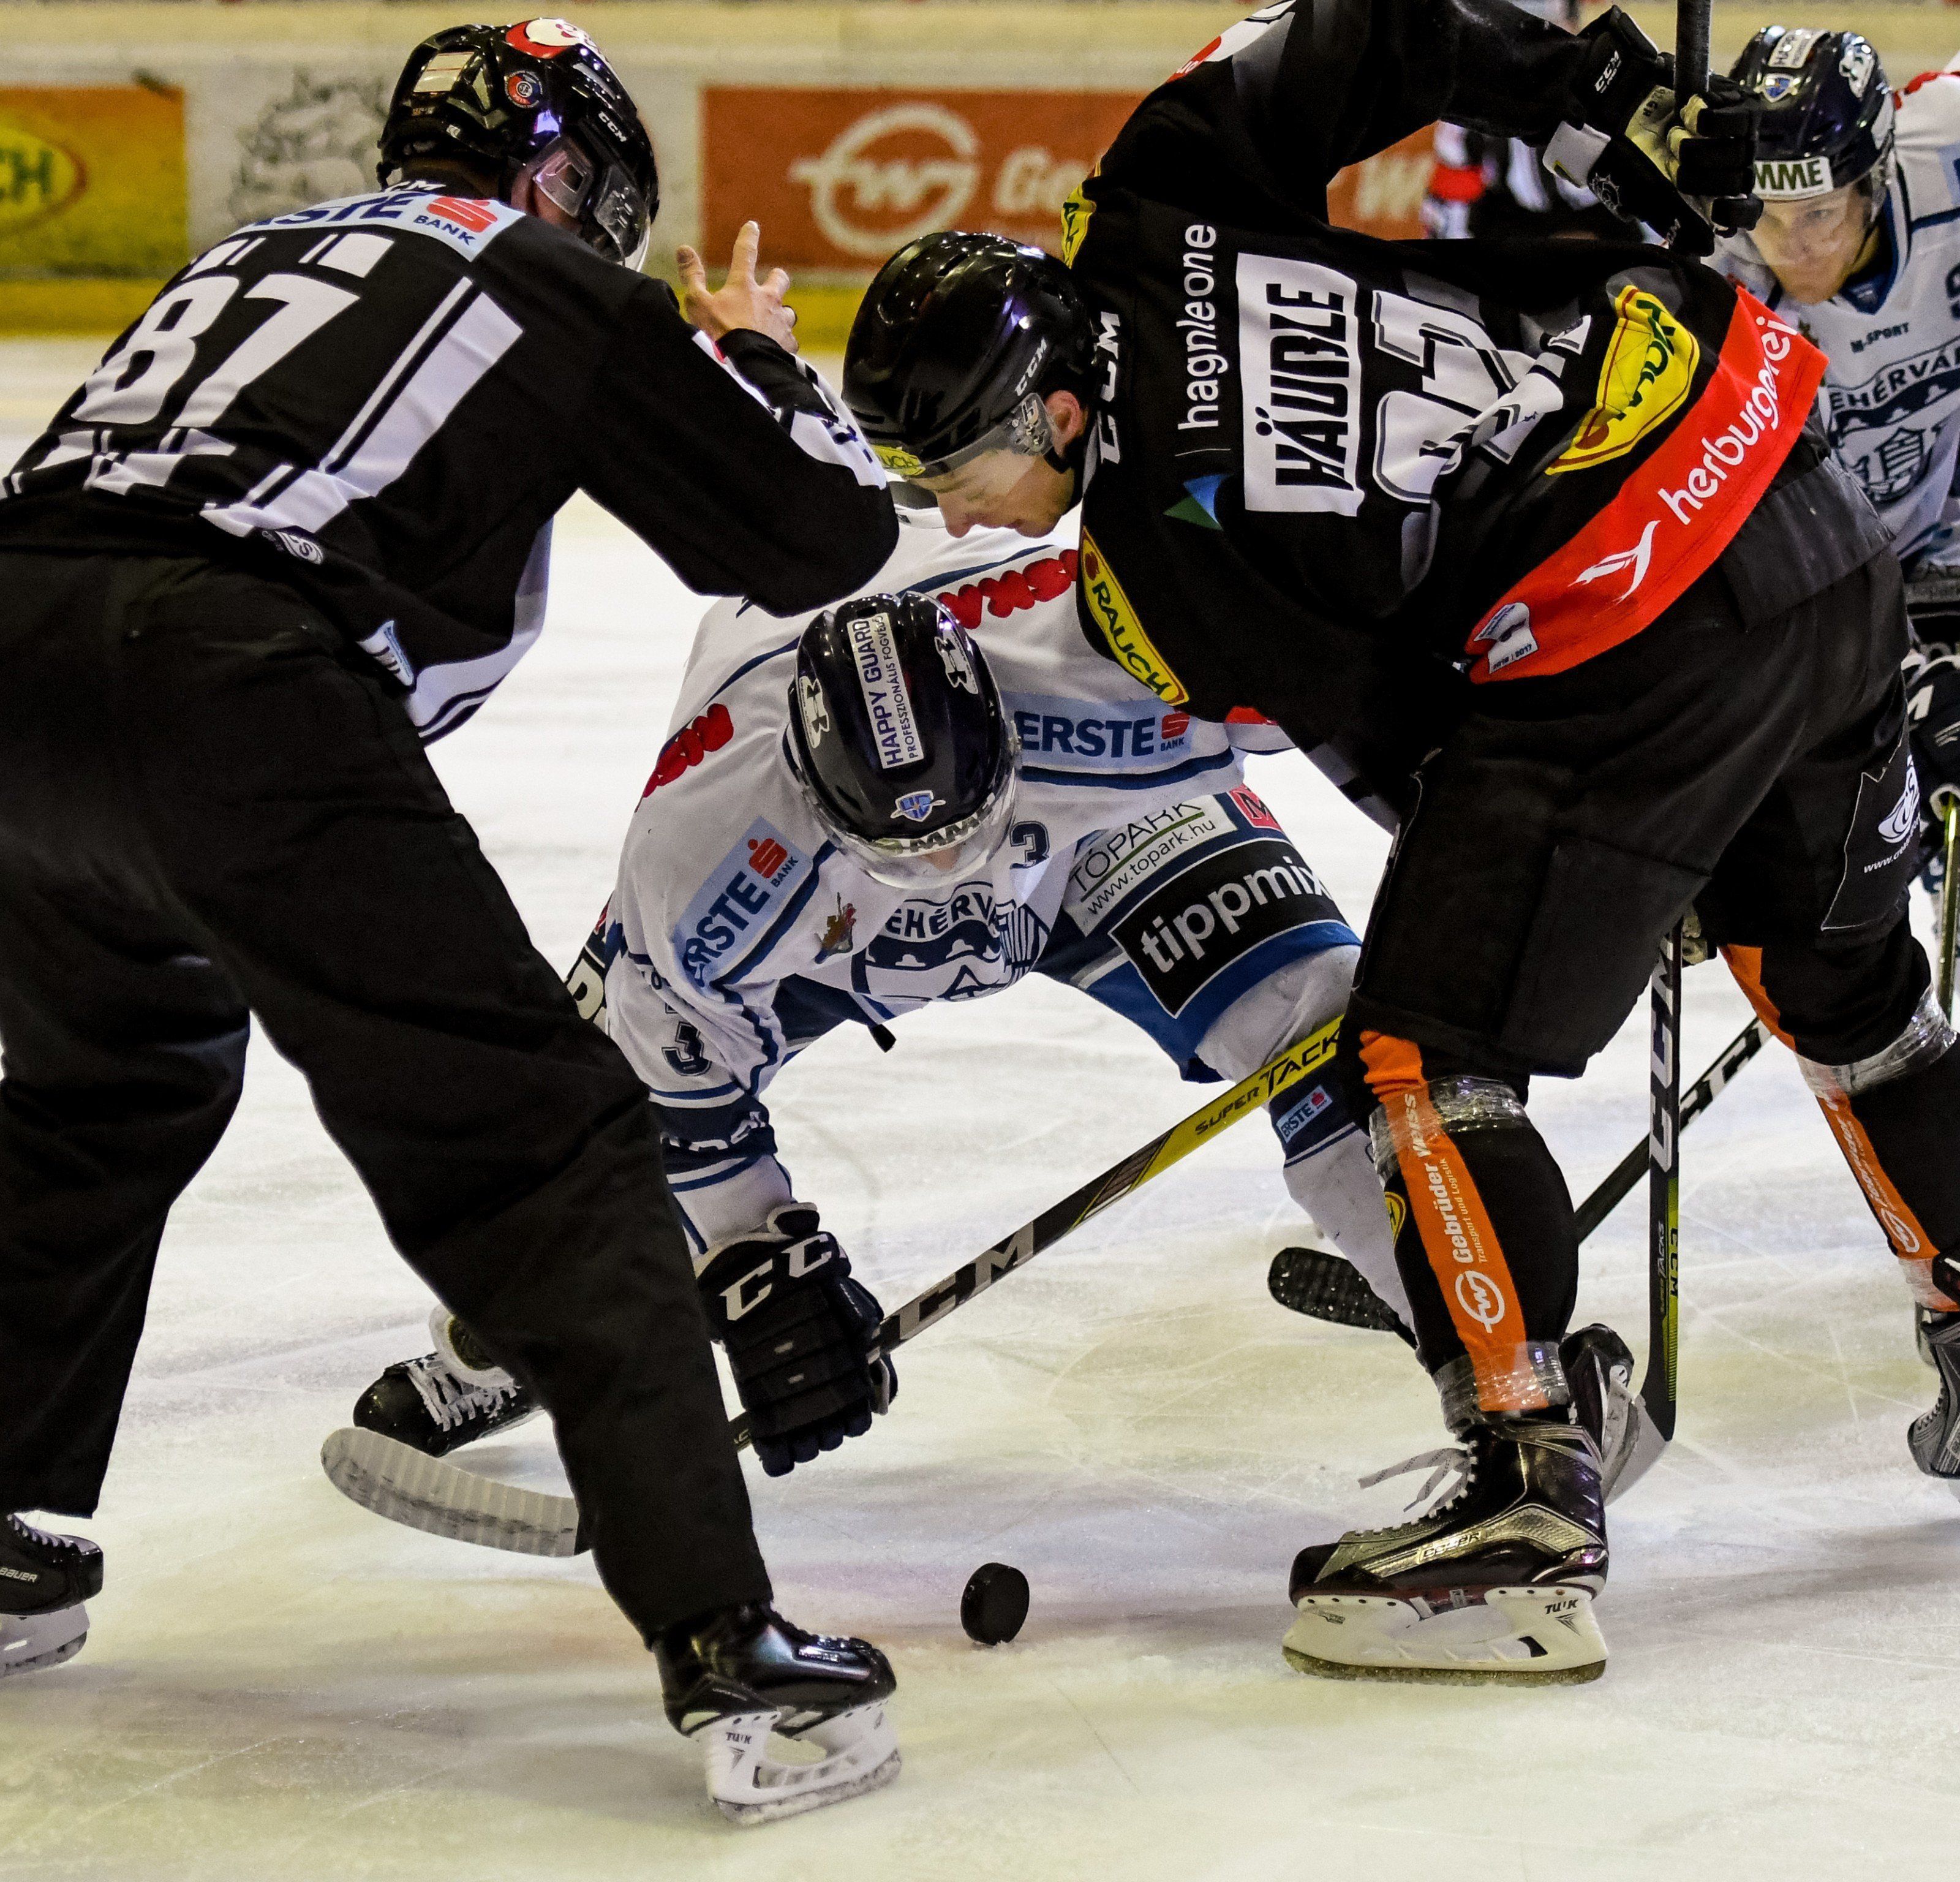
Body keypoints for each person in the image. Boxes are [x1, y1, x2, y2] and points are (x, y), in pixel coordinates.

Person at [839, 0, 1960, 1687]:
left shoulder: (1157, 581)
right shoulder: (1160, 190)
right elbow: (1393, 24)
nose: (950, 515)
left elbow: (1417, 739)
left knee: (1426, 1054)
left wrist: (1606, 855)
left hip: (1635, 617)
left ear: (1053, 413)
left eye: (955, 467)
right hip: (1802, 504)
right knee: (1851, 988)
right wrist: (1613, 101)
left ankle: (1526, 1500)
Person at [0, 18, 902, 1825]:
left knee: (119, 1079)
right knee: (548, 1144)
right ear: (570, 186)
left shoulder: (255, 248)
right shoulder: (546, 279)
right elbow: (811, 545)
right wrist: (758, 374)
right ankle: (729, 1646)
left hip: (14, 660)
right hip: (229, 678)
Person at [338, 510, 1404, 1481]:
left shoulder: (1108, 681)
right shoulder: (711, 840)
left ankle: (1485, 1344)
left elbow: (1365, 697)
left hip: (1081, 833)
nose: (951, 878)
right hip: (833, 925)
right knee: (592, 1131)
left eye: (961, 837)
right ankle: (506, 1333)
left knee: (1339, 1030)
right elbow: (679, 1077)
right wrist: (762, 1260)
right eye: (913, 854)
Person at [1423, 0, 1638, 243]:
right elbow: (1451, 213)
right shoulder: (1473, 103)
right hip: (1520, 230)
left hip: (1609, 227)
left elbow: (1654, 208)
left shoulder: (1611, 82)